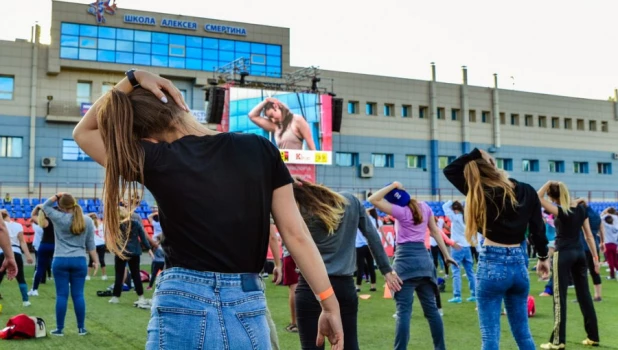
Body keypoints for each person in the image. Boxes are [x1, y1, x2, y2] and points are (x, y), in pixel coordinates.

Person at [73, 69, 344, 349]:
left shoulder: (155, 158)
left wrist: (132, 78)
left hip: (181, 299)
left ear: (147, 139)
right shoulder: (260, 148)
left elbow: (83, 132)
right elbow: (295, 233)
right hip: (246, 300)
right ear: (180, 104)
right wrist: (329, 304)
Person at [443, 148, 549, 350]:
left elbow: (450, 170)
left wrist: (477, 153)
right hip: (519, 263)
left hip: (492, 263)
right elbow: (538, 229)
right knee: (524, 335)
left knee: (490, 338)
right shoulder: (527, 190)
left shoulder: (480, 191)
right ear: (493, 166)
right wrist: (543, 257)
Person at [294, 179, 401, 350]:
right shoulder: (350, 201)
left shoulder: (297, 210)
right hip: (343, 286)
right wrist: (386, 269)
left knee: (312, 346)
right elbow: (372, 235)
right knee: (349, 345)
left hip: (311, 287)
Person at [370, 182, 455, 350]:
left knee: (403, 313)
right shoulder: (425, 207)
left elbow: (373, 198)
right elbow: (436, 232)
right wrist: (446, 255)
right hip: (424, 262)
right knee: (432, 311)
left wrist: (392, 185)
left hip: (404, 263)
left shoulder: (400, 211)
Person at [537, 181, 600, 349]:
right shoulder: (581, 209)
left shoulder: (560, 210)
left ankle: (557, 341)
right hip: (580, 254)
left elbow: (537, 197)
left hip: (563, 254)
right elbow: (589, 236)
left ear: (552, 196)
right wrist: (595, 257)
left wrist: (548, 183)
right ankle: (593, 336)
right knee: (584, 295)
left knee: (559, 298)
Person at [42, 193, 99, 336]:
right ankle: (81, 328)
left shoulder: (58, 217)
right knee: (78, 295)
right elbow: (91, 244)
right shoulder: (87, 220)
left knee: (61, 295)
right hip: (79, 260)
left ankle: (59, 329)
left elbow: (45, 206)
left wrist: (56, 196)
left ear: (61, 207)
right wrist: (96, 261)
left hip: (60, 259)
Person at [109, 207, 152, 306]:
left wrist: (113, 249)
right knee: (136, 274)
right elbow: (142, 237)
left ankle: (115, 297)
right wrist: (149, 248)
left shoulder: (116, 225)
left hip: (121, 252)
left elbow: (113, 239)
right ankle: (141, 297)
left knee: (119, 275)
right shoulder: (135, 223)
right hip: (134, 252)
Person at [248, 97, 316, 150]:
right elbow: (252, 116)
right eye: (269, 118)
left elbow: (311, 145)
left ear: (276, 106)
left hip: (298, 166)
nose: (273, 120)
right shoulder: (275, 126)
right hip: (282, 166)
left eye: (272, 115)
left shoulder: (297, 120)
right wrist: (266, 101)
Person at [442, 200, 477, 304]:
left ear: (453, 209)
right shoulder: (466, 218)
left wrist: (452, 201)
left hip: (457, 247)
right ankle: (474, 294)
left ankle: (457, 296)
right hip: (467, 246)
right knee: (470, 272)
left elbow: (444, 206)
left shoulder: (454, 217)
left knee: (456, 272)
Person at [0, 210, 34, 306]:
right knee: (21, 277)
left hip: (2, 251)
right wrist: (28, 255)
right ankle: (26, 301)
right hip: (16, 252)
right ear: (8, 215)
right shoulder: (18, 225)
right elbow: (22, 242)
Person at [29, 205, 55, 296]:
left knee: (40, 267)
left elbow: (32, 215)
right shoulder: (58, 221)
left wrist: (37, 206)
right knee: (57, 267)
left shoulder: (44, 221)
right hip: (56, 246)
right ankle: (67, 284)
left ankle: (34, 289)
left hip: (44, 245)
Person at [579, 203, 603, 301]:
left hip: (582, 245)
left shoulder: (581, 215)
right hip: (594, 246)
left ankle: (583, 296)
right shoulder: (596, 216)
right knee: (595, 271)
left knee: (580, 272)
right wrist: (603, 241)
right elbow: (601, 228)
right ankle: (598, 295)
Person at [87, 213, 107, 280]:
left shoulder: (90, 225)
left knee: (90, 260)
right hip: (101, 244)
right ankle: (104, 275)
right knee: (102, 260)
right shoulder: (102, 224)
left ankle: (88, 275)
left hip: (93, 244)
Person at [601, 208, 618, 280]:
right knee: (615, 260)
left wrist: (605, 213)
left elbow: (600, 218)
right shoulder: (616, 226)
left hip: (608, 244)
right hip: (615, 244)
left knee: (610, 261)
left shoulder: (606, 226)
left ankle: (612, 275)